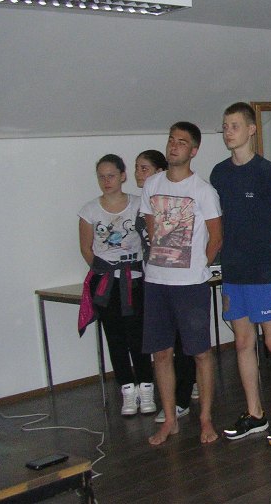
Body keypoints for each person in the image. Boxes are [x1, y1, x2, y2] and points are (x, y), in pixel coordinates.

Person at [211, 102, 271, 445]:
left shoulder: (269, 174)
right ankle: (255, 413)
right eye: (224, 126)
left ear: (251, 129)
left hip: (264, 272)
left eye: (234, 125)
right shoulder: (219, 174)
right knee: (243, 342)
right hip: (234, 271)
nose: (228, 132)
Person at [141, 122, 223, 446]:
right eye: (171, 140)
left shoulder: (203, 191)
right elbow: (152, 228)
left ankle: (205, 418)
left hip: (190, 284)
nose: (174, 146)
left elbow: (216, 237)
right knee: (161, 353)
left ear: (194, 150)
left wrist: (197, 266)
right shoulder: (152, 184)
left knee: (200, 353)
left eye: (182, 142)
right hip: (156, 281)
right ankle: (170, 420)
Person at [79, 154, 155, 417]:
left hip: (135, 279)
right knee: (115, 337)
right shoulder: (89, 210)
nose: (106, 181)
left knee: (138, 336)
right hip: (106, 283)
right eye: (101, 176)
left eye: (111, 175)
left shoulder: (138, 205)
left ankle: (146, 386)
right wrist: (103, 271)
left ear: (122, 176)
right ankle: (127, 389)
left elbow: (149, 239)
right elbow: (86, 248)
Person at [135, 150, 198, 424]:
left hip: (181, 279)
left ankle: (183, 396)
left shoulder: (179, 201)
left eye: (145, 168)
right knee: (162, 347)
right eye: (137, 168)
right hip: (154, 278)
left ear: (159, 172)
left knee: (184, 343)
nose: (139, 174)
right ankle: (172, 401)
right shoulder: (143, 202)